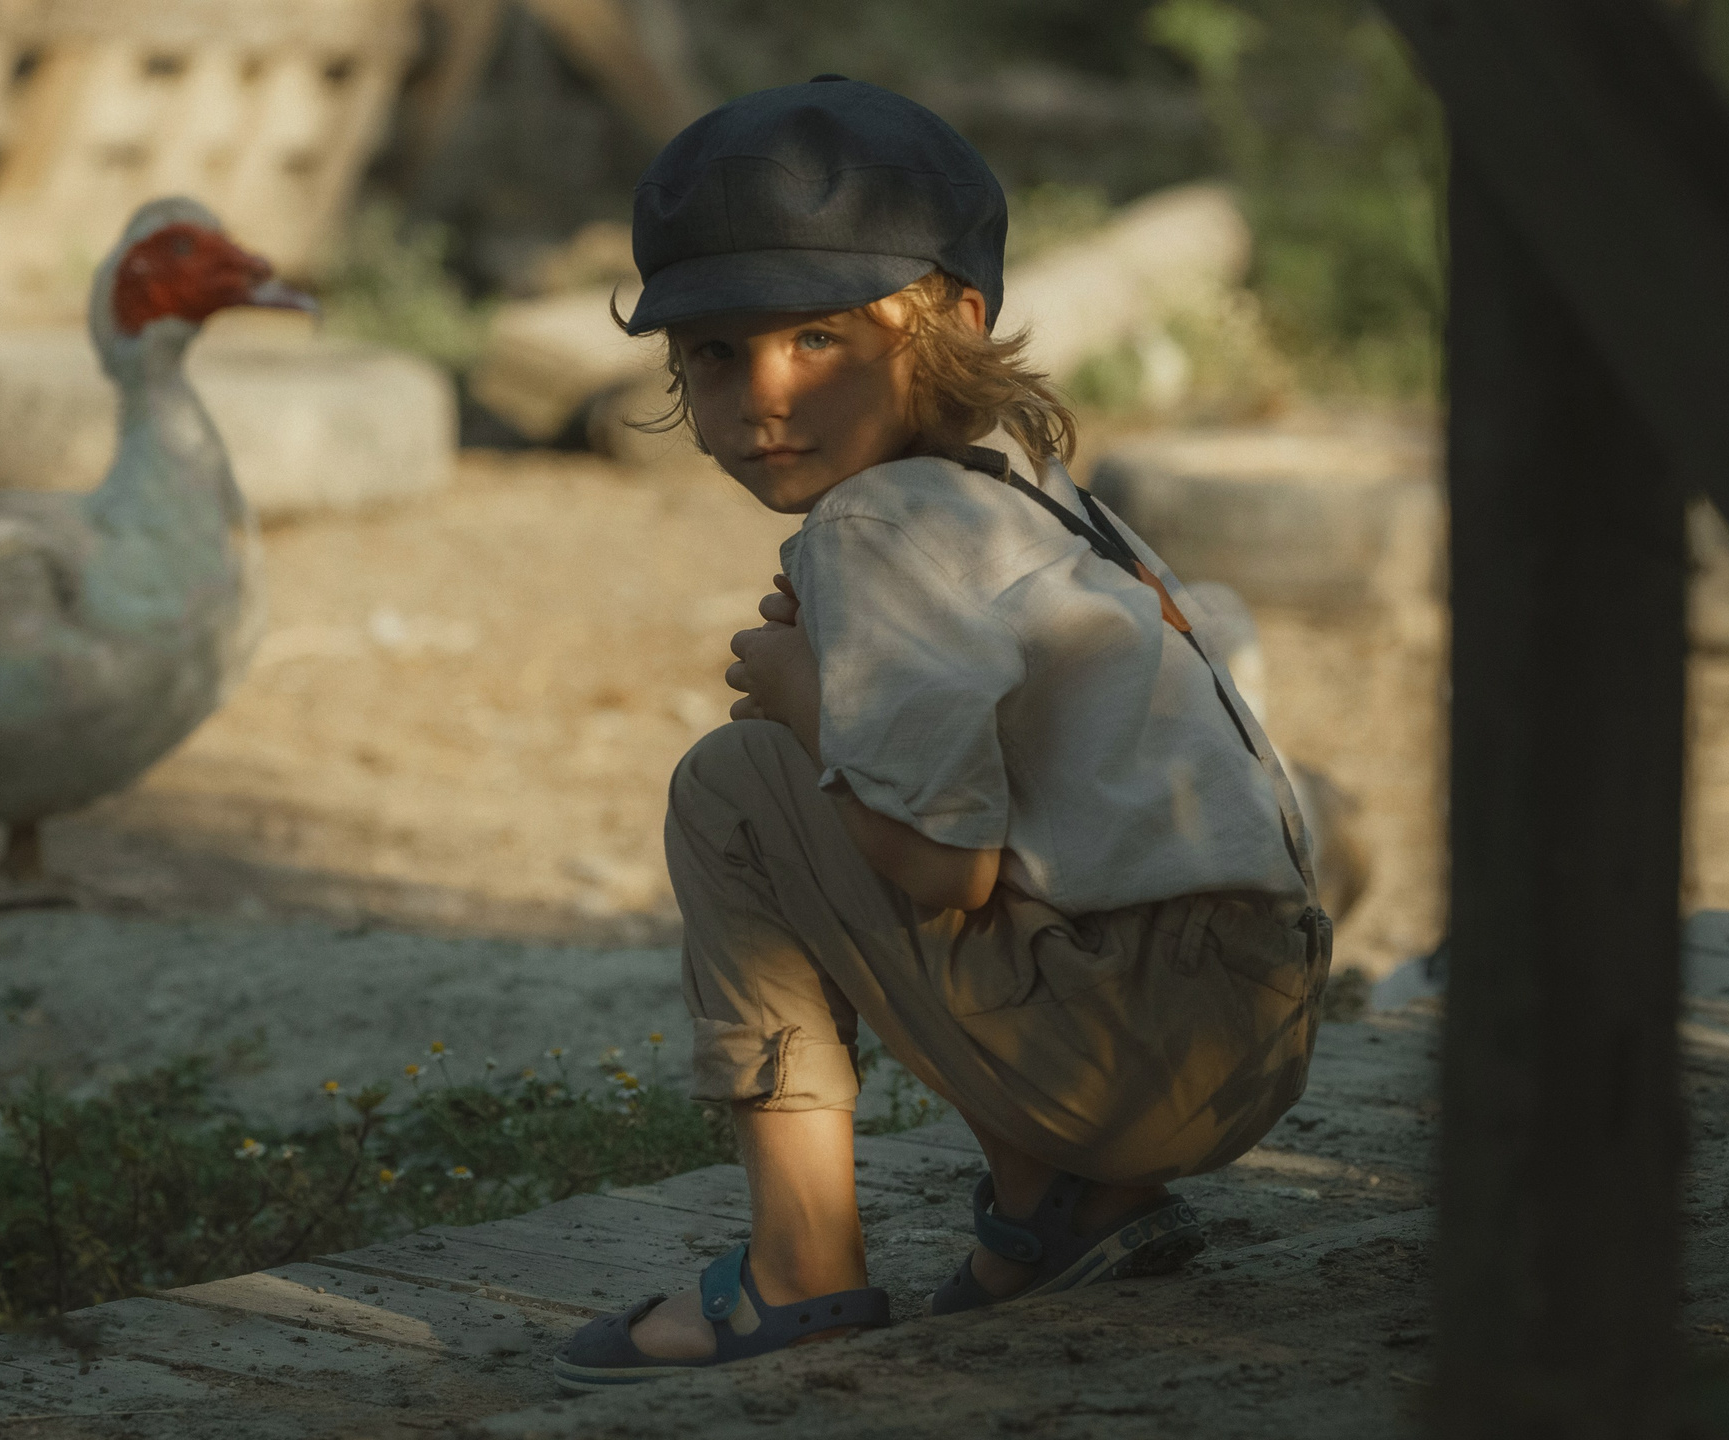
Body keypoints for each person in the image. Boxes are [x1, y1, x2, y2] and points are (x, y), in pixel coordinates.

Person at [555, 77, 1332, 1390]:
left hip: (1138, 1044)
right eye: (712, 354)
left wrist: (810, 701)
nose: (759, 396)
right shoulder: (1025, 492)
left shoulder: (881, 521)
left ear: (952, 320)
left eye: (814, 339)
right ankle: (1056, 1214)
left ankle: (798, 1272)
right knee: (853, 799)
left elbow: (941, 868)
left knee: (736, 787)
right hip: (1250, 1022)